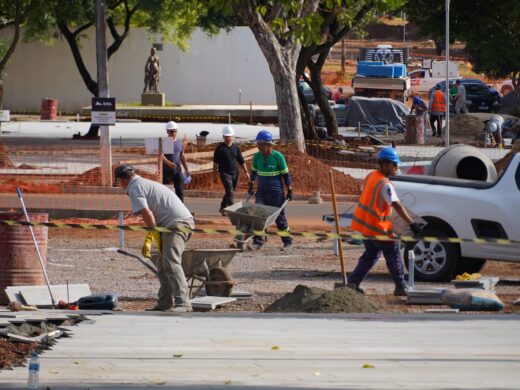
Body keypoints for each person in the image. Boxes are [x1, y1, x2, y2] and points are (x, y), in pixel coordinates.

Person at [115, 164, 194, 312]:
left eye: (118, 182)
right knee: (163, 266)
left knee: (171, 262)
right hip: (175, 222)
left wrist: (153, 233)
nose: (119, 185)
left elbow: (147, 212)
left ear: (122, 180)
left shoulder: (135, 187)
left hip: (177, 223)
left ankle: (183, 303)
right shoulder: (142, 183)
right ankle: (165, 303)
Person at [347, 147, 423, 296]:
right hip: (378, 228)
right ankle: (400, 286)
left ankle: (352, 283)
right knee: (393, 254)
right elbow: (396, 204)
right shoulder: (385, 184)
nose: (396, 168)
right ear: (385, 164)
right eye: (394, 164)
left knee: (371, 255)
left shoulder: (371, 176)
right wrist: (411, 224)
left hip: (366, 227)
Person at [248, 130, 293, 251]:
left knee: (280, 219)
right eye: (258, 144)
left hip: (276, 194)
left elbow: (286, 175)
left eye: (261, 144)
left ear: (268, 145)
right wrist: (251, 185)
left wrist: (289, 189)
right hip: (261, 192)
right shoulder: (257, 157)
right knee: (258, 216)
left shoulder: (278, 157)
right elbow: (253, 173)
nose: (258, 147)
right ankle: (257, 242)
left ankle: (287, 242)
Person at [213, 125, 250, 215]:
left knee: (230, 192)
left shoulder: (236, 148)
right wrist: (214, 175)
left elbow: (241, 161)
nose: (228, 138)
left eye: (229, 136)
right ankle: (232, 210)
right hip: (224, 173)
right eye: (226, 136)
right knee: (229, 191)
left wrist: (246, 172)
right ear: (223, 137)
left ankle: (223, 207)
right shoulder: (220, 148)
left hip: (235, 173)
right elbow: (215, 163)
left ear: (232, 136)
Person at [162, 121, 190, 203]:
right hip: (167, 171)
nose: (173, 133)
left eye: (175, 131)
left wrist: (187, 169)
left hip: (177, 171)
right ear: (167, 132)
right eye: (171, 131)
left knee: (180, 191)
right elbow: (161, 156)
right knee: (167, 191)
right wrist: (169, 163)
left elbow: (182, 156)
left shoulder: (179, 143)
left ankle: (181, 208)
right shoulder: (165, 142)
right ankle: (167, 208)